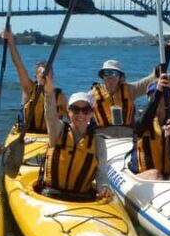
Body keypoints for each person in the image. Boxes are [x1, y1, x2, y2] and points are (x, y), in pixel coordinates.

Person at [37, 69, 113, 200]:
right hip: (50, 193)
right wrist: (49, 91)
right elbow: (50, 115)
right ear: (69, 112)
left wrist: (103, 187)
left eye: (85, 110)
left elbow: (101, 174)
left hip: (81, 197)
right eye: (76, 110)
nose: (81, 115)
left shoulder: (98, 142)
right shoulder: (59, 130)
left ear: (92, 113)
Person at [89, 41, 170, 128]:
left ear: (120, 77)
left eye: (114, 73)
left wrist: (167, 53)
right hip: (102, 134)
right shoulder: (92, 94)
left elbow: (154, 76)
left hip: (127, 134)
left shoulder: (130, 90)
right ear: (102, 76)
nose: (110, 77)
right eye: (106, 73)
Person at [0, 28, 68, 133]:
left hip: (50, 137)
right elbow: (19, 65)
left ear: (52, 75)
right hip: (28, 135)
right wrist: (11, 42)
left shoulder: (60, 97)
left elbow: (73, 116)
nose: (44, 76)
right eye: (41, 74)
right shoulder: (29, 89)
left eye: (47, 73)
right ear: (36, 76)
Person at [128, 75, 170, 179]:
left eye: (164, 96)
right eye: (156, 97)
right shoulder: (139, 120)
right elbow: (140, 125)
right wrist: (157, 92)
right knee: (155, 174)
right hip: (145, 175)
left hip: (169, 174)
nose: (160, 100)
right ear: (150, 99)